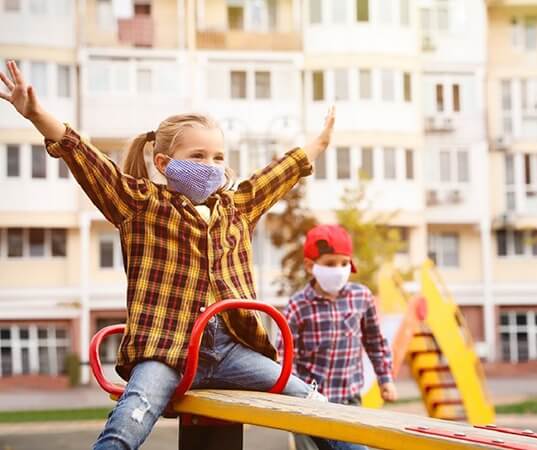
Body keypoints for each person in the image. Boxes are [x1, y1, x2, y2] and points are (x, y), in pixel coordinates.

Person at [0, 60, 365, 450]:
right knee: (131, 418)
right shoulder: (141, 205)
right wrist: (37, 114)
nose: (211, 167)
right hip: (166, 347)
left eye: (219, 157)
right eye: (198, 156)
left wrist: (319, 144)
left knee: (314, 405)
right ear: (164, 164)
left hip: (230, 348)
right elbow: (89, 161)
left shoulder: (237, 207)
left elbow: (282, 172)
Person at [278, 224, 397, 450]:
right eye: (330, 264)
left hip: (348, 401)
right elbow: (285, 354)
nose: (339, 269)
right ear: (311, 266)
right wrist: (288, 394)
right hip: (307, 405)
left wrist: (385, 378)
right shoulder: (298, 305)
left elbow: (375, 341)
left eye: (344, 263)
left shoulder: (361, 297)